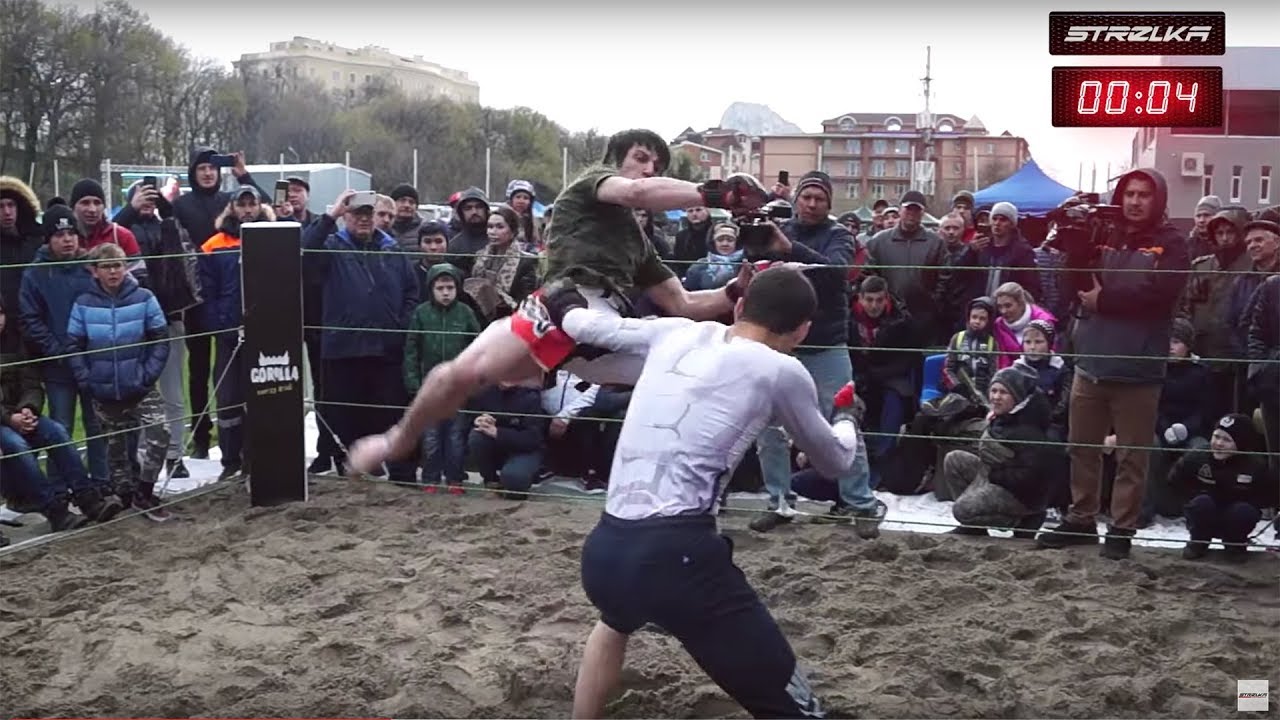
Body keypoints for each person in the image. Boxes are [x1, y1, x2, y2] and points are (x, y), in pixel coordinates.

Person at [345, 129, 770, 474]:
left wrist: (736, 288)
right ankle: (397, 440)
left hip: (603, 331)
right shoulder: (592, 183)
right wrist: (715, 195)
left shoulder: (637, 242)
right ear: (615, 159)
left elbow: (685, 303)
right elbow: (637, 193)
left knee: (702, 374)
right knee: (459, 374)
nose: (650, 168)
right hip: (557, 307)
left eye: (657, 164)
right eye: (642, 158)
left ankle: (703, 474)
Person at [552, 266, 855, 719]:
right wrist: (849, 418)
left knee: (616, 620)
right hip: (678, 558)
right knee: (789, 703)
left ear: (738, 307)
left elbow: (590, 327)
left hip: (605, 552)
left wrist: (562, 302)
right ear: (803, 331)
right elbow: (835, 462)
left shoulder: (677, 331)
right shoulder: (781, 369)